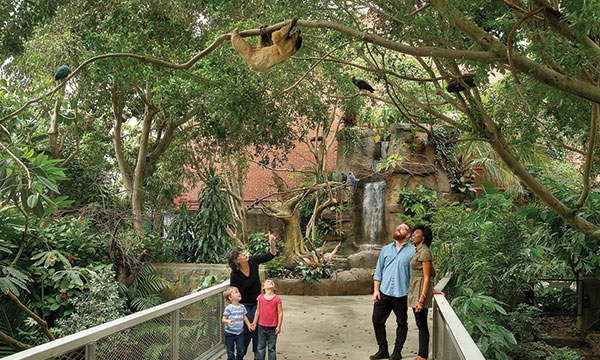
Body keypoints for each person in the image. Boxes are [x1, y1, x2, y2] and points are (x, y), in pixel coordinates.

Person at [227, 232, 278, 358]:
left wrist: (272, 244)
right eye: (240, 254)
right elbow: (234, 290)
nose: (244, 254)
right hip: (244, 304)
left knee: (258, 328)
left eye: (243, 252)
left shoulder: (253, 261)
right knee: (248, 328)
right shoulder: (235, 274)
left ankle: (257, 356)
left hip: (258, 302)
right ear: (236, 261)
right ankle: (241, 354)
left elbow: (271, 255)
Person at [371, 223, 416, 360]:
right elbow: (379, 271)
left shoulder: (413, 251)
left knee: (401, 323)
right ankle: (382, 350)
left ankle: (397, 352)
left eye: (402, 228)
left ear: (408, 235)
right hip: (384, 291)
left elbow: (418, 273)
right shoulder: (386, 249)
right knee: (377, 320)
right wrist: (376, 290)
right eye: (397, 227)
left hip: (401, 293)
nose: (398, 228)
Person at [408, 225, 435, 360]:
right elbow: (432, 271)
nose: (413, 235)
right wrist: (432, 289)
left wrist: (422, 299)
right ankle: (421, 354)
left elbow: (427, 277)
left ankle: (422, 355)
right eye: (412, 233)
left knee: (422, 324)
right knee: (420, 324)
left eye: (416, 233)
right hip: (416, 287)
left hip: (420, 290)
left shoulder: (424, 252)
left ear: (423, 238)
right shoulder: (418, 251)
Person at [251, 279, 283, 360]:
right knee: (260, 347)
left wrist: (279, 326)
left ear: (274, 288)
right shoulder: (260, 298)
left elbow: (280, 313)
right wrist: (254, 322)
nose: (271, 282)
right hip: (261, 326)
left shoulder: (277, 299)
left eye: (272, 282)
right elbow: (257, 311)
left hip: (273, 327)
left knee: (271, 348)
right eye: (268, 282)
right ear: (263, 287)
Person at [222, 287, 254, 360]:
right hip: (229, 333)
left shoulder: (242, 307)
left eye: (238, 291)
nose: (239, 293)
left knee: (241, 350)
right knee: (230, 352)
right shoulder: (229, 308)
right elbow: (223, 319)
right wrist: (228, 321)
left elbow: (244, 317)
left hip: (240, 333)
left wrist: (249, 325)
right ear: (230, 298)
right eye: (236, 292)